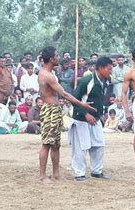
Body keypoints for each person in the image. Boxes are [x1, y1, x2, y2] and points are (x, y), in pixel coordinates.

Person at [36, 46, 95, 183]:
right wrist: (82, 104)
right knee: (47, 143)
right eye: (57, 55)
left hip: (54, 109)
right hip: (50, 109)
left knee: (56, 144)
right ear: (51, 59)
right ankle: (42, 175)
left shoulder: (49, 73)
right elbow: (64, 94)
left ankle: (56, 174)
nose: (59, 57)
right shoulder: (47, 75)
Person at [70, 56, 112, 181]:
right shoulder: (87, 80)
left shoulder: (105, 81)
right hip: (81, 119)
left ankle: (96, 171)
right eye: (109, 69)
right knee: (80, 147)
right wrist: (86, 114)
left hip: (96, 119)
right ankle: (79, 173)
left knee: (99, 145)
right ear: (100, 68)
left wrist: (100, 114)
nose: (111, 72)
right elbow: (74, 99)